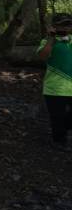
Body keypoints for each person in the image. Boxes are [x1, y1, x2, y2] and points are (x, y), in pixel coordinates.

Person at [37, 13, 72, 150]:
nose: (65, 27)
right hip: (54, 88)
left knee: (61, 120)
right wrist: (51, 38)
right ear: (54, 26)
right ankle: (59, 141)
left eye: (68, 24)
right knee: (57, 117)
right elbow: (43, 56)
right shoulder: (47, 41)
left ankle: (61, 128)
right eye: (62, 24)